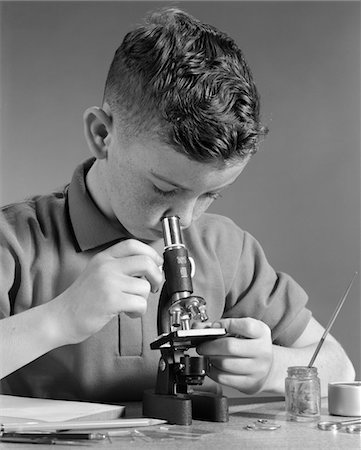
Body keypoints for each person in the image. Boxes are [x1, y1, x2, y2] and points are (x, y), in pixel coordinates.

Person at [0, 7, 355, 402]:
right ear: (102, 134)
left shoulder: (227, 249)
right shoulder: (14, 242)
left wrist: (271, 366)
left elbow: (339, 366)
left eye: (209, 195)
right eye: (165, 189)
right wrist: (58, 319)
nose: (184, 219)